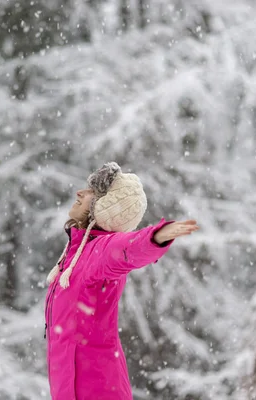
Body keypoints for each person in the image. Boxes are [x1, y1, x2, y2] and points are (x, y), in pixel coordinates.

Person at [44, 162, 199, 400]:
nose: (80, 193)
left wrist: (155, 237)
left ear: (105, 207)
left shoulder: (99, 252)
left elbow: (127, 248)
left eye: (92, 192)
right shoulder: (76, 253)